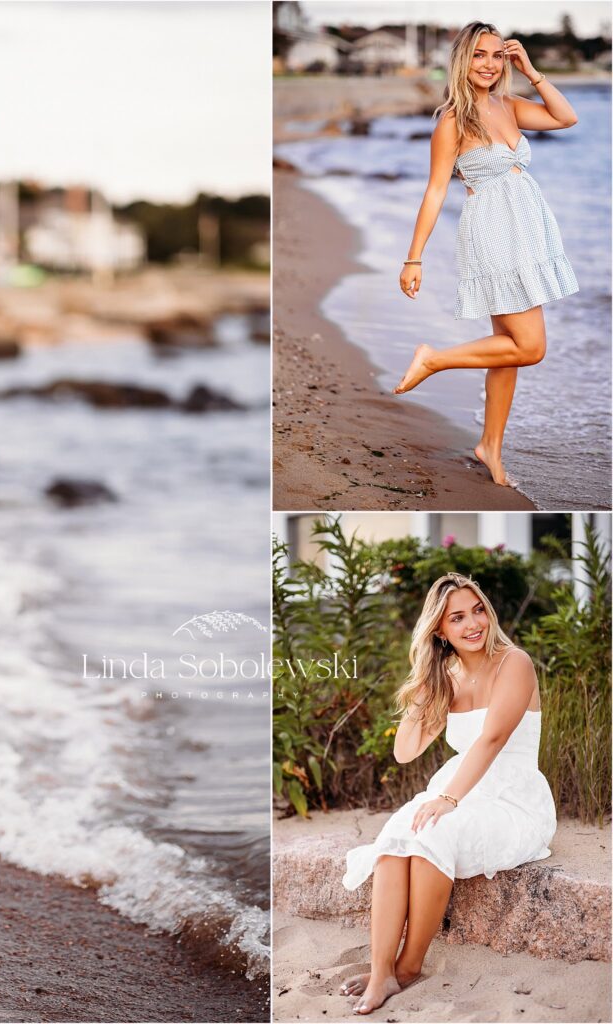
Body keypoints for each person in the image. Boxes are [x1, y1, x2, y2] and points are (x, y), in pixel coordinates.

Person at [339, 572, 557, 1015]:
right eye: (457, 617)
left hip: (511, 796)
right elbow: (404, 752)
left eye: (477, 610)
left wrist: (448, 800)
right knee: (398, 836)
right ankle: (382, 970)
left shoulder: (514, 663)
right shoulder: (449, 677)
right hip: (458, 787)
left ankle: (409, 967)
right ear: (440, 630)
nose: (473, 623)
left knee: (434, 833)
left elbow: (491, 741)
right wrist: (426, 682)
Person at [394, 22, 579, 489]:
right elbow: (435, 191)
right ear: (463, 59)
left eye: (498, 55)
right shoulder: (454, 120)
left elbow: (565, 117)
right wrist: (414, 257)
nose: (489, 64)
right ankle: (433, 358)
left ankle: (490, 447)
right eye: (480, 55)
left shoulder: (510, 104)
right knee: (531, 347)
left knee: (509, 353)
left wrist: (532, 71)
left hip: (527, 232)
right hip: (494, 233)